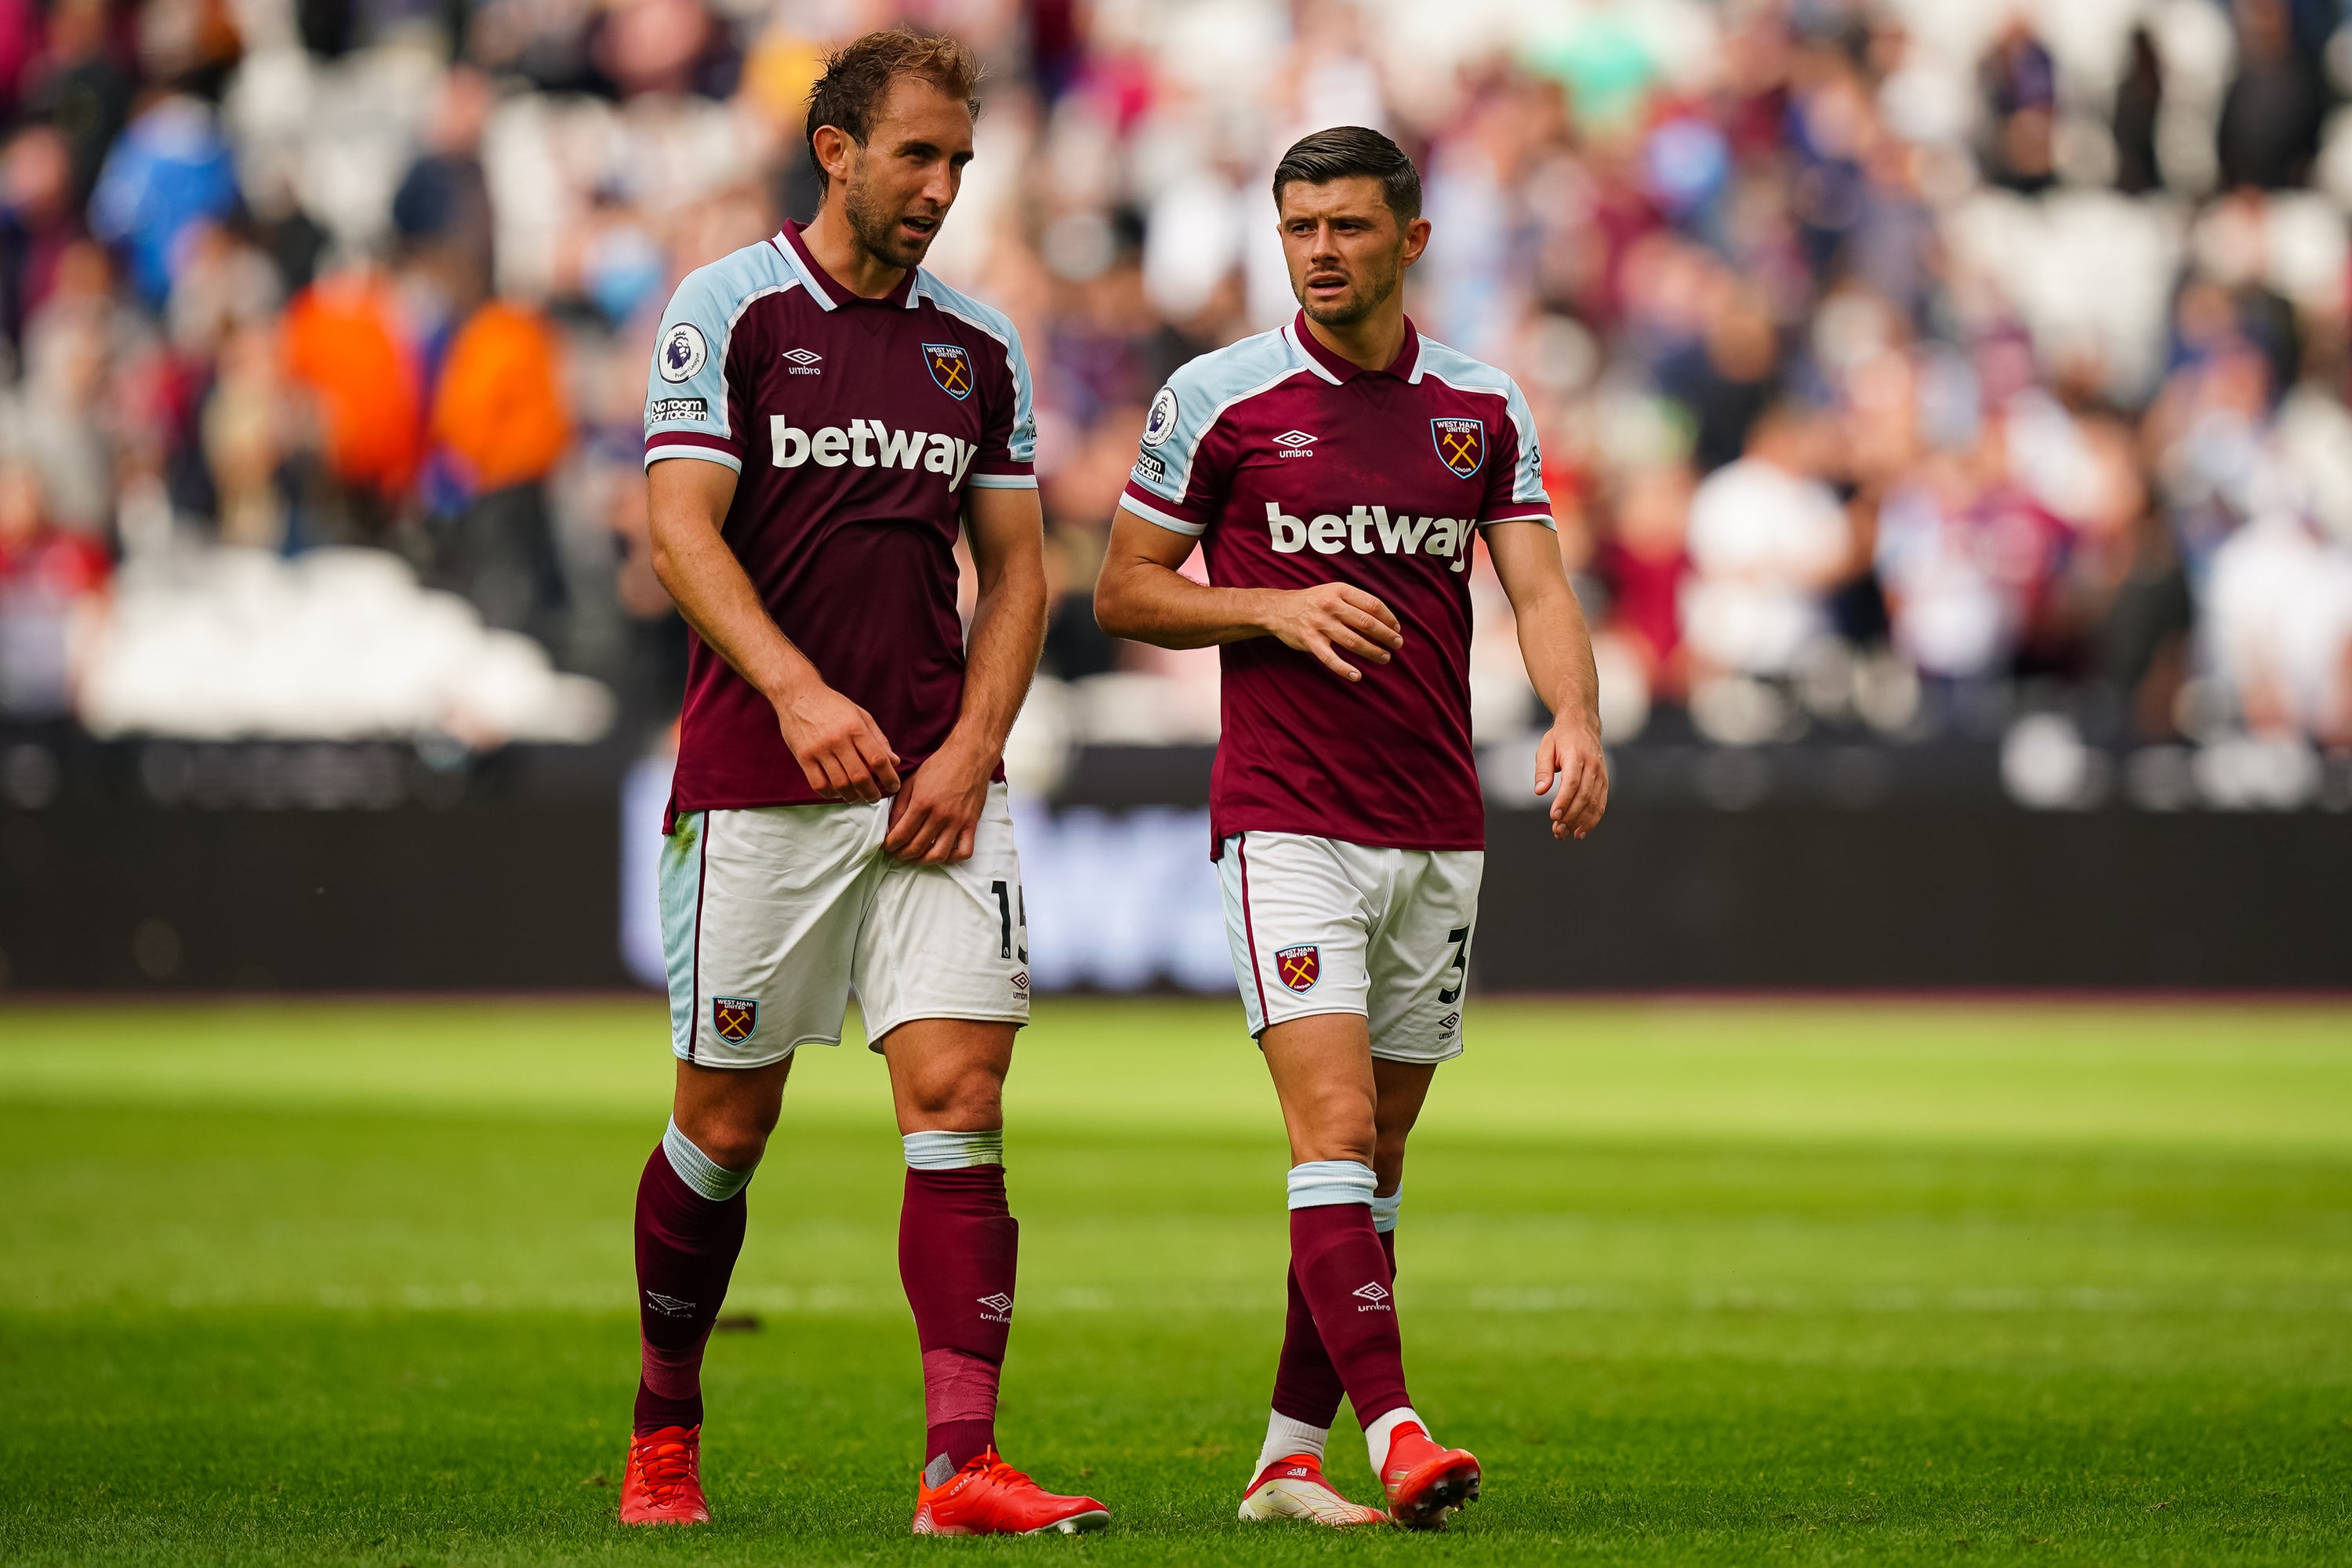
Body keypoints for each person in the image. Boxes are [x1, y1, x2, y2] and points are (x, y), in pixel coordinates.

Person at [627, 28, 1107, 1537]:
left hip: (934, 789)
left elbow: (1022, 571)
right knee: (724, 1126)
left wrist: (975, 746)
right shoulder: (732, 310)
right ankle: (664, 1426)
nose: (944, 185)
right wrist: (795, 691)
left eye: (961, 160)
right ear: (835, 148)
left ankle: (960, 1466)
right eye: (919, 153)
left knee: (961, 1094)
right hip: (763, 780)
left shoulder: (980, 344)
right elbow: (680, 533)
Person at [1093, 125, 1610, 1530]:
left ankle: (1281, 1460)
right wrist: (1268, 604)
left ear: (1413, 239)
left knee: (1371, 1163)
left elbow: (1542, 591)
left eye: (1350, 228)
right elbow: (1125, 590)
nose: (1322, 250)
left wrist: (1575, 715)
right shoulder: (1222, 398)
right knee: (1327, 1127)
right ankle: (1395, 1427)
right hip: (1287, 819)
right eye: (1300, 227)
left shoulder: (1481, 405)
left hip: (1437, 822)